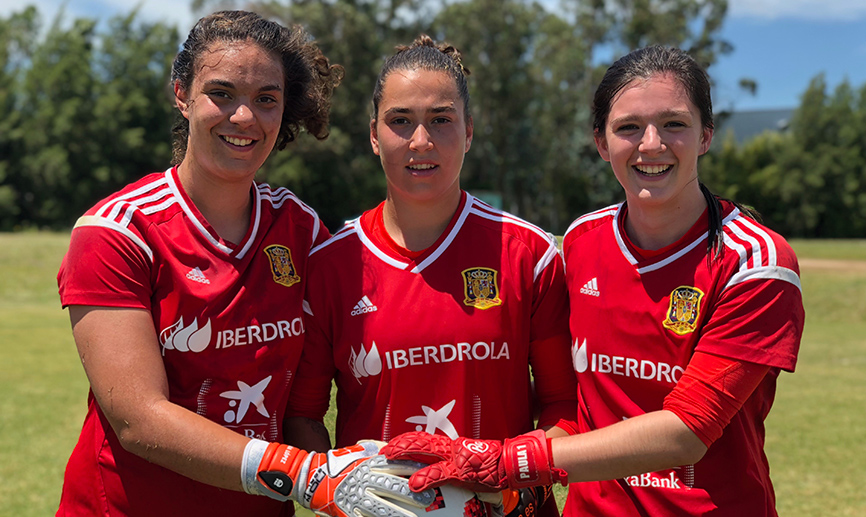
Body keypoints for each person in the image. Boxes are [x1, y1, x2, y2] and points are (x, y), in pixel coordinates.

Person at [380, 45, 805, 517]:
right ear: (602, 143)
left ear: (706, 135)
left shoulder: (756, 261)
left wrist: (509, 461)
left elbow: (688, 430)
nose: (651, 145)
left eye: (674, 124)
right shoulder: (583, 241)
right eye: (627, 127)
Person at [56, 10, 423, 517]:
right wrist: (306, 475)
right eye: (221, 94)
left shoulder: (299, 228)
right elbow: (139, 420)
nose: (244, 117)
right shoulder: (117, 233)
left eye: (265, 99)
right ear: (181, 94)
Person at [283, 35, 578, 516]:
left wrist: (517, 483)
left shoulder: (530, 254)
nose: (421, 141)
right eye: (400, 121)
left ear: (469, 132)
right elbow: (303, 414)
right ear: (374, 135)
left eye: (441, 120)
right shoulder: (332, 265)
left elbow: (565, 405)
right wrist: (338, 488)